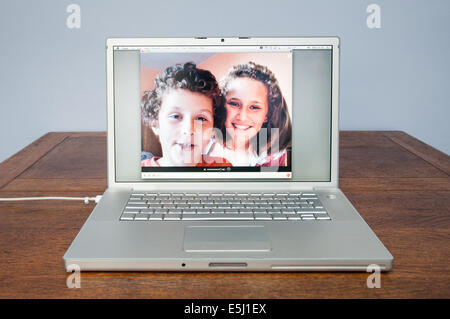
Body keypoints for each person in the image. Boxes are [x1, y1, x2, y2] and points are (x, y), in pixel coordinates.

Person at [141, 62, 231, 167]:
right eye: (175, 116)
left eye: (201, 119)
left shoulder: (222, 166)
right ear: (155, 124)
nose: (189, 129)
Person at [207, 62, 292, 167]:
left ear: (267, 115)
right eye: (234, 104)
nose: (242, 117)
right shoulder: (201, 147)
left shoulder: (272, 156)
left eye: (254, 107)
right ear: (221, 105)